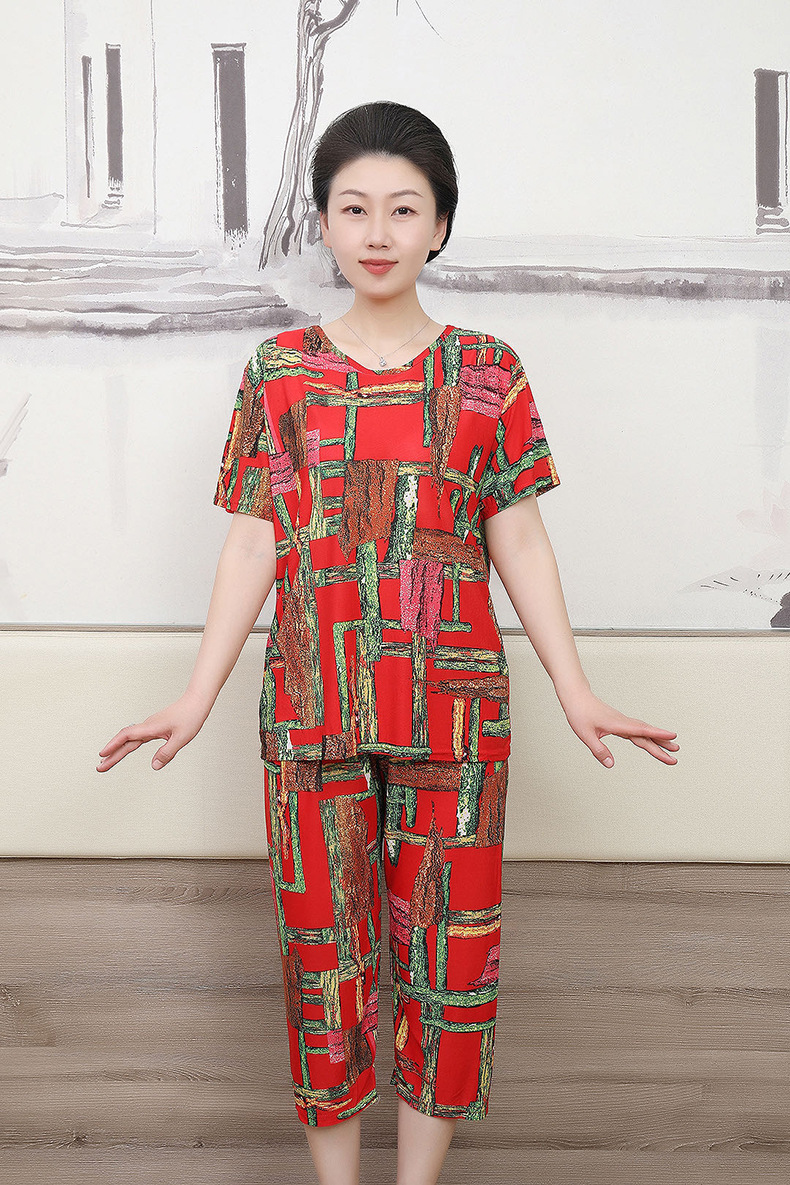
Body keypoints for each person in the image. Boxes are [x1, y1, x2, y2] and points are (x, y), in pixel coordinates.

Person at [97, 100, 680, 1185]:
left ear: (440, 225)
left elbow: (519, 539)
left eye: (403, 210)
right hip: (309, 710)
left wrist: (576, 688)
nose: (377, 232)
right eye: (354, 208)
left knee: (450, 967)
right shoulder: (280, 372)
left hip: (456, 719)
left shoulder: (487, 371)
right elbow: (253, 542)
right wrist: (195, 695)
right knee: (324, 967)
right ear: (322, 222)